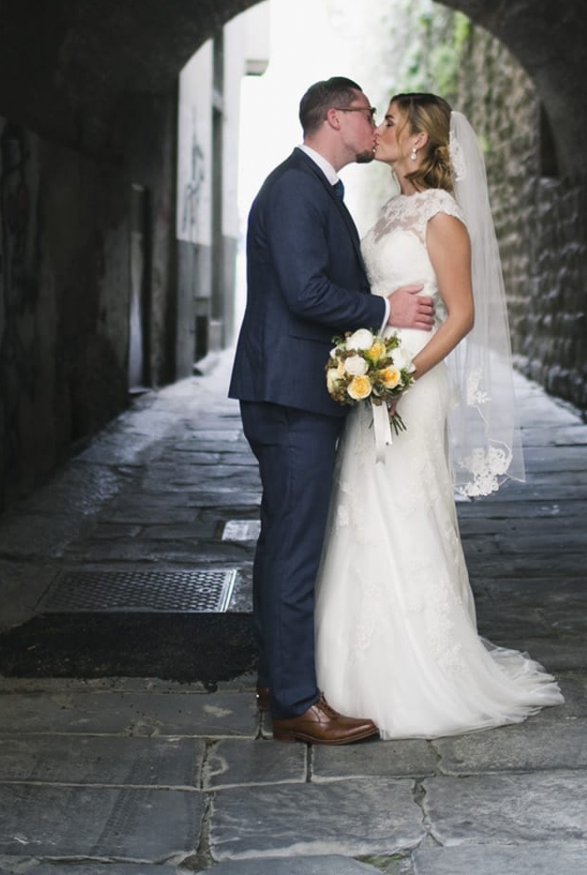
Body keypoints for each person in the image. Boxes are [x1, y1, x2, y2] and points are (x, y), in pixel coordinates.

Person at [315, 92, 563, 738]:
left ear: (419, 139)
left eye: (391, 121)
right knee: (362, 511)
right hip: (374, 378)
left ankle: (419, 674)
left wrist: (402, 377)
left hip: (411, 384)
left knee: (406, 510)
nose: (379, 128)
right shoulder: (390, 209)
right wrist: (366, 365)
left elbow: (462, 314)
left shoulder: (442, 216)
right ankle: (350, 671)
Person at [229, 77, 438, 745]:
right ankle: (297, 703)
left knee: (281, 538)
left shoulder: (316, 189)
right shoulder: (297, 189)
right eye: (367, 113)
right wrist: (385, 310)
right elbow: (305, 292)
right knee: (296, 546)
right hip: (291, 393)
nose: (374, 124)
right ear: (335, 118)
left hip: (289, 389)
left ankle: (276, 678)